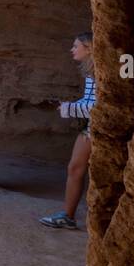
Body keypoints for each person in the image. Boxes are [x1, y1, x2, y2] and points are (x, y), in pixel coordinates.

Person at [40, 31, 95, 229]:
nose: (72, 50)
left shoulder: (101, 71)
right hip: (91, 127)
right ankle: (67, 216)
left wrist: (68, 108)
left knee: (80, 169)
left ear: (88, 48)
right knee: (75, 168)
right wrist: (67, 105)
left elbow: (99, 106)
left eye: (75, 46)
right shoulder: (91, 72)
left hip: (99, 129)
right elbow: (89, 101)